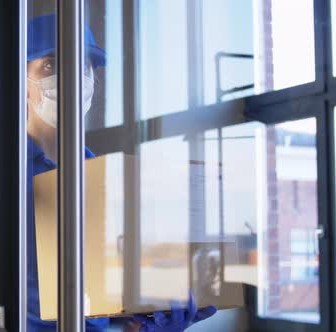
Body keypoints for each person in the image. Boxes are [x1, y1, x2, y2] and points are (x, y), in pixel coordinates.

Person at [26, 14, 217, 331]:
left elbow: (102, 289)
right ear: (22, 81)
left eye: (83, 65)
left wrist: (146, 310)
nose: (73, 76)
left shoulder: (102, 178)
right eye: (51, 65)